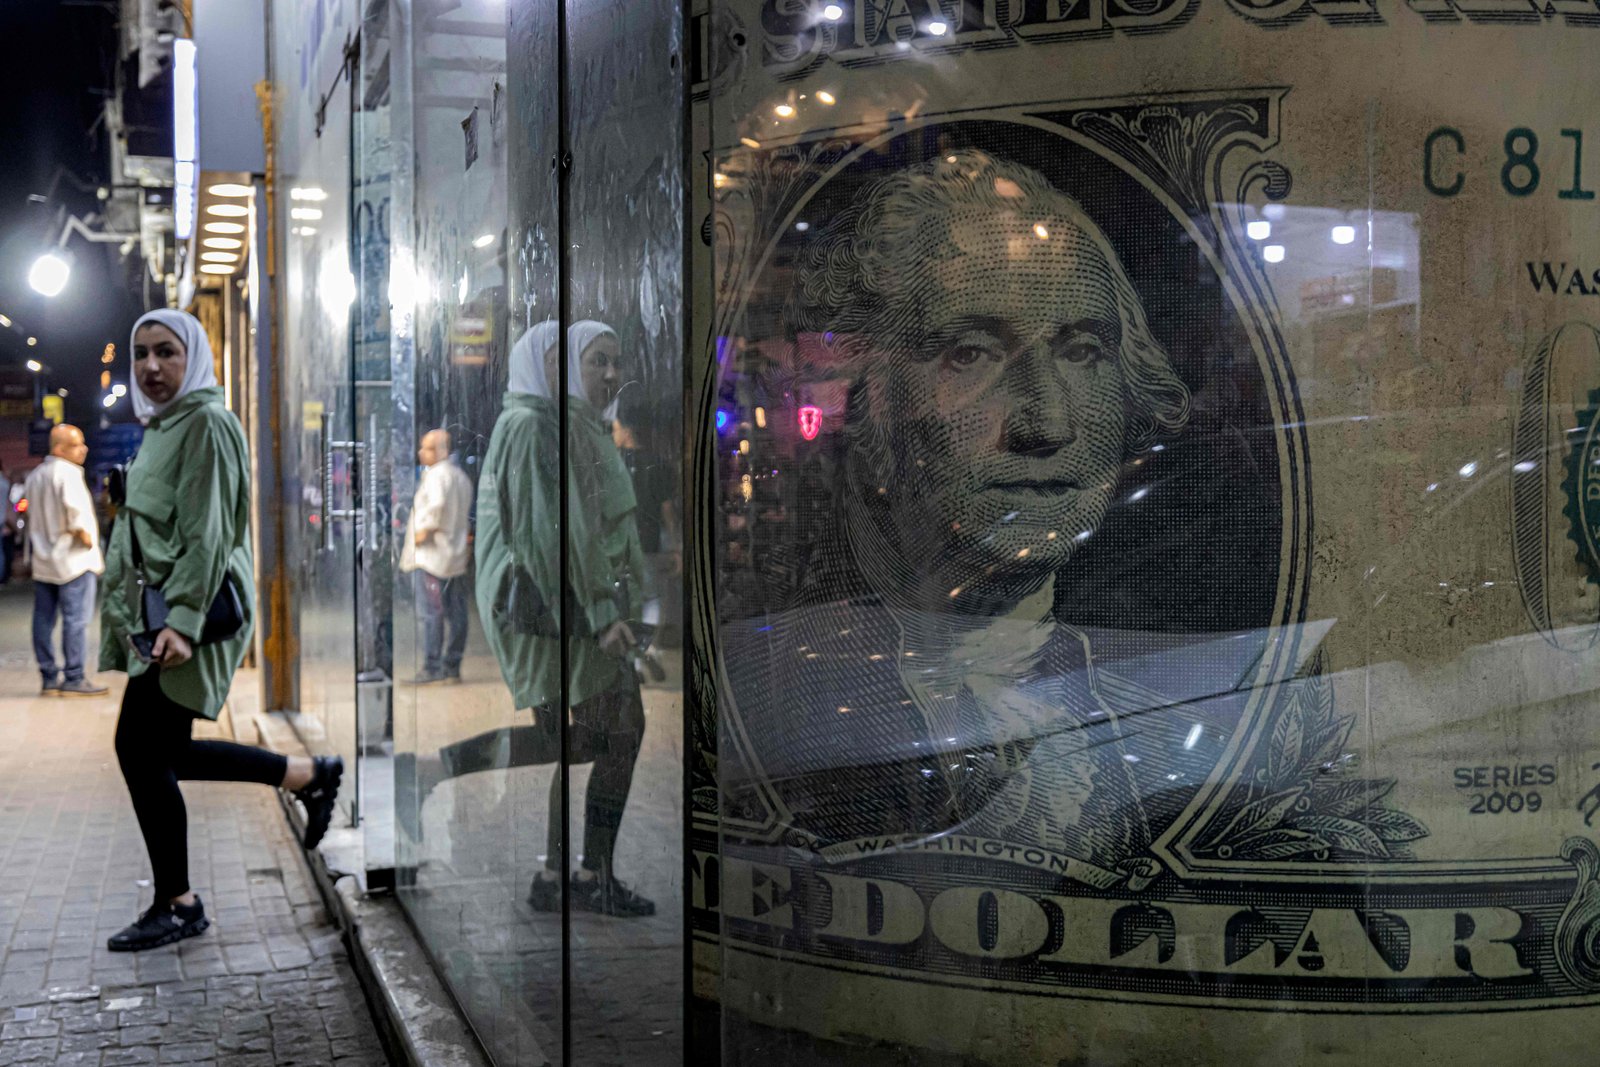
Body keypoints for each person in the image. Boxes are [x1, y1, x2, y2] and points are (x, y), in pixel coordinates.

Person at [724, 149, 1202, 874]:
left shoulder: (1182, 715)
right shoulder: (759, 691)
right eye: (971, 352)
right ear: (867, 395)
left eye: (1082, 351)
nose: (1046, 423)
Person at [100, 309, 342, 952]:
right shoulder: (166, 424)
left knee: (139, 748)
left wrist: (180, 623)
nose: (152, 366)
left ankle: (179, 903)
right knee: (160, 754)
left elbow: (209, 532)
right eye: (142, 353)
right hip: (158, 617)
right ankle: (305, 775)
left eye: (167, 352)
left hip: (187, 618)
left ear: (194, 356)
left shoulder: (207, 421)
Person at [400, 320, 655, 917]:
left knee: (573, 740)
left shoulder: (558, 424)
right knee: (619, 734)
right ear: (553, 365)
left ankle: (560, 874)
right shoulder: (537, 425)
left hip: (560, 609)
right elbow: (552, 532)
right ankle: (586, 874)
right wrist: (598, 616)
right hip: (560, 612)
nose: (610, 374)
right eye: (595, 361)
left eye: (616, 362)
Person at [24, 424, 108, 696]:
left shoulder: (36, 475)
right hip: (73, 561)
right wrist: (85, 536)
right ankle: (73, 677)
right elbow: (75, 514)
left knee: (43, 619)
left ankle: (49, 677)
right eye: (76, 444)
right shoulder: (68, 473)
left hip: (44, 560)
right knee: (75, 620)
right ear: (60, 449)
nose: (83, 449)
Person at [400, 428, 473, 684]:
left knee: (431, 614)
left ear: (442, 450)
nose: (421, 453)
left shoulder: (437, 477)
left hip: (431, 558)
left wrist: (423, 534)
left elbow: (437, 507)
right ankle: (452, 666)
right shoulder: (460, 477)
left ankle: (432, 668)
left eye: (428, 448)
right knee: (456, 613)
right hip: (453, 557)